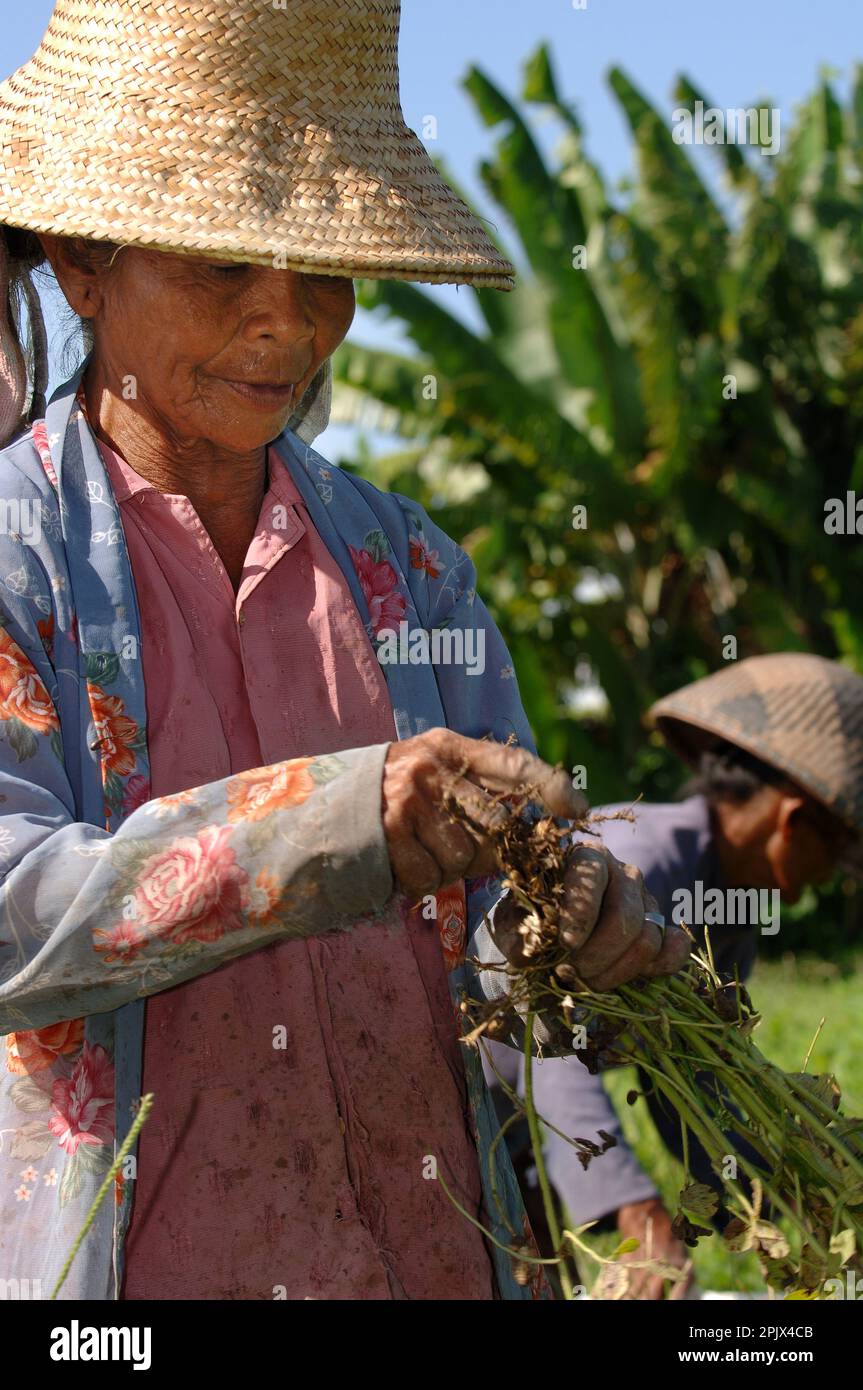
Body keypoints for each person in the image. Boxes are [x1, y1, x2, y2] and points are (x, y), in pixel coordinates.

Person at [0, 0, 690, 1301]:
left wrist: (576, 905)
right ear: (83, 259)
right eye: (220, 268)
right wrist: (334, 823)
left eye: (322, 272)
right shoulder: (15, 561)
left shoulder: (404, 566)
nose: (287, 322)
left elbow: (504, 905)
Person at [483, 653, 863, 1298]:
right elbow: (550, 1046)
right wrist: (637, 1212)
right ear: (794, 822)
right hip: (479, 1108)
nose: (828, 879)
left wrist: (797, 1196)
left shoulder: (730, 909)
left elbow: (695, 1090)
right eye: (836, 856)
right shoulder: (640, 865)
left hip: (534, 1144)